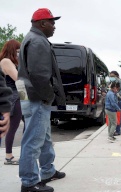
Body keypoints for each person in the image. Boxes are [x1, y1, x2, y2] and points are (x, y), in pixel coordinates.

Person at [18, 8, 66, 192]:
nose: (54, 26)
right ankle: (29, 182)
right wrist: (48, 97)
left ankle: (47, 171)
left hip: (29, 95)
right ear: (42, 23)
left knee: (44, 137)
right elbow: (39, 75)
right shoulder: (38, 41)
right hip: (37, 97)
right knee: (33, 140)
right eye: (52, 22)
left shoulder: (32, 38)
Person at [0, 39, 22, 165]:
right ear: (12, 50)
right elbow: (18, 79)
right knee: (12, 127)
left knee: (26, 124)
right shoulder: (6, 61)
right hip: (13, 98)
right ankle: (8, 156)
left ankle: (25, 153)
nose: (19, 54)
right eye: (18, 51)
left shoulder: (11, 62)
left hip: (15, 96)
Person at [109, 71, 121, 136]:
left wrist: (117, 95)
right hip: (117, 100)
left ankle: (118, 131)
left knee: (119, 114)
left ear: (117, 76)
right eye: (110, 76)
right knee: (115, 115)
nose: (111, 77)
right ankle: (115, 129)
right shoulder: (113, 82)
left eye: (113, 76)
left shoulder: (120, 82)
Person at [0, 69, 12, 146]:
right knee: (12, 129)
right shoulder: (7, 62)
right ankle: (8, 153)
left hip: (9, 98)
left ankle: (9, 153)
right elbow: (19, 79)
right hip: (14, 96)